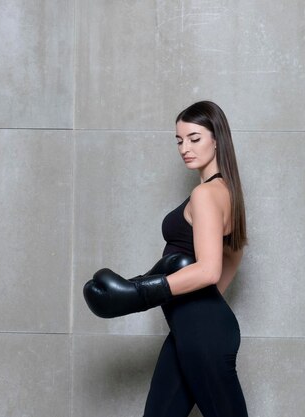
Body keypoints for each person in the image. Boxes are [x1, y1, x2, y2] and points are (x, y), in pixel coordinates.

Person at [83, 101, 248, 416]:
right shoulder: (227, 193)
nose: (185, 147)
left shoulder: (206, 195)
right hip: (194, 325)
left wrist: (139, 294)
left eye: (194, 138)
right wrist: (204, 308)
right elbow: (233, 254)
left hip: (202, 329)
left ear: (217, 139)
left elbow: (210, 270)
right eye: (179, 140)